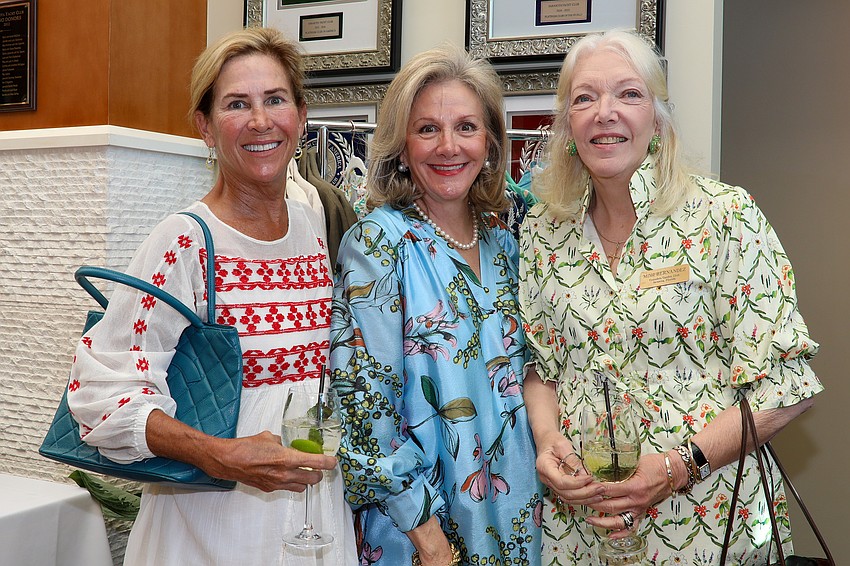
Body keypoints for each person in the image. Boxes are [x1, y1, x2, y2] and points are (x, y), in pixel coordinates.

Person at [518, 29, 824, 564]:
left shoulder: (724, 217)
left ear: (657, 119)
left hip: (706, 522)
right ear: (567, 124)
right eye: (585, 98)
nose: (604, 113)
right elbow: (542, 366)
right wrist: (547, 441)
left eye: (628, 94)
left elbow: (787, 384)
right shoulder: (545, 230)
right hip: (582, 529)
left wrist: (680, 465)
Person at [67, 27, 356, 565]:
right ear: (205, 126)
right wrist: (221, 455)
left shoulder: (316, 220)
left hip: (311, 519)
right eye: (236, 104)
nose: (261, 121)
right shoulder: (183, 242)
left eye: (275, 99)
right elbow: (100, 395)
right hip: (210, 530)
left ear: (301, 114)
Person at [329, 44, 543, 566]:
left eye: (466, 128)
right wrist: (432, 543)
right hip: (426, 537)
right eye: (427, 129)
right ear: (401, 147)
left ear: (491, 143)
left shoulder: (508, 245)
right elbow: (364, 410)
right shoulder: (378, 245)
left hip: (521, 521)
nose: (449, 146)